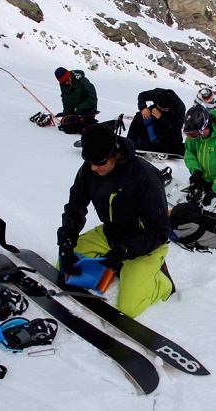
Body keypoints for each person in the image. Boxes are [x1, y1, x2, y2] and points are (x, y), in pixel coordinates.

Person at [57, 125, 175, 318]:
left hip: (143, 243)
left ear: (115, 154)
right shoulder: (90, 169)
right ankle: (116, 267)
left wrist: (125, 251)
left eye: (99, 162)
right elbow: (74, 209)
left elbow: (160, 231)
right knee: (62, 266)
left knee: (129, 308)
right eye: (89, 162)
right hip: (110, 233)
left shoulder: (145, 176)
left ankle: (162, 281)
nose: (94, 168)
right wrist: (66, 241)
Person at [126, 88, 185, 155]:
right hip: (154, 111)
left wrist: (160, 117)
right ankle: (130, 142)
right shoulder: (157, 93)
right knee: (139, 118)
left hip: (168, 122)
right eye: (160, 107)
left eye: (164, 109)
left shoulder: (180, 108)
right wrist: (143, 108)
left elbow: (176, 129)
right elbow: (142, 95)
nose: (161, 109)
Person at [54, 67, 98, 134]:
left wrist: (78, 109)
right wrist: (67, 113)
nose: (66, 83)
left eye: (67, 80)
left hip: (87, 113)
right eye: (64, 82)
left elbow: (92, 99)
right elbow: (64, 98)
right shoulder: (63, 84)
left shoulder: (84, 82)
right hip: (74, 113)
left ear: (70, 76)